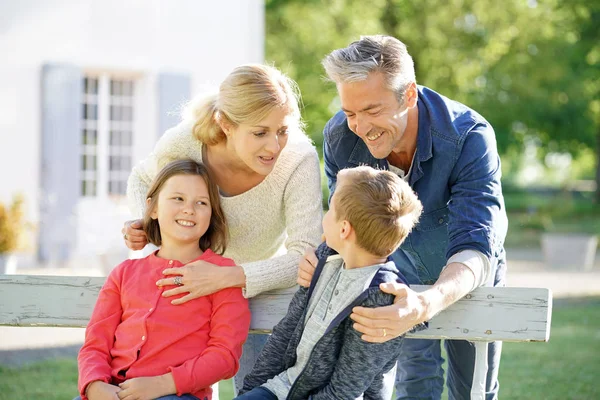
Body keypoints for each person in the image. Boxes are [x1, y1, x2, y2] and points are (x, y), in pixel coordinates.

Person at [297, 35, 509, 399]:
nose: (361, 127)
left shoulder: (469, 137)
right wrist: (321, 258)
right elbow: (348, 230)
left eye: (373, 110)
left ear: (408, 95)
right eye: (351, 113)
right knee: (416, 385)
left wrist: (427, 302)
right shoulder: (340, 139)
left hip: (469, 276)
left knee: (472, 389)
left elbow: (476, 243)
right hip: (400, 277)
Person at [121, 64, 323, 393]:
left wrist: (228, 277)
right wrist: (145, 221)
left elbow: (305, 255)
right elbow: (143, 180)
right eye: (260, 133)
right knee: (184, 387)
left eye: (282, 130)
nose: (274, 146)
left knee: (256, 388)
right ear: (225, 124)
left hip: (256, 286)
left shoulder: (298, 160)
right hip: (187, 284)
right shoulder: (183, 143)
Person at [236, 166, 425, 400]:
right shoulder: (324, 258)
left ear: (344, 229)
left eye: (330, 208)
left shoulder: (378, 297)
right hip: (283, 388)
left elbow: (346, 389)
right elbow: (286, 332)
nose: (325, 215)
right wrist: (250, 391)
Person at [77, 160, 251, 400]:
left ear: (211, 214)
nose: (189, 209)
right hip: (112, 391)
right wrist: (94, 385)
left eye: (201, 202)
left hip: (177, 394)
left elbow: (224, 357)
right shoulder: (124, 273)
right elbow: (96, 343)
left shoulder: (222, 274)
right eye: (178, 198)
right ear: (153, 208)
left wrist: (163, 384)